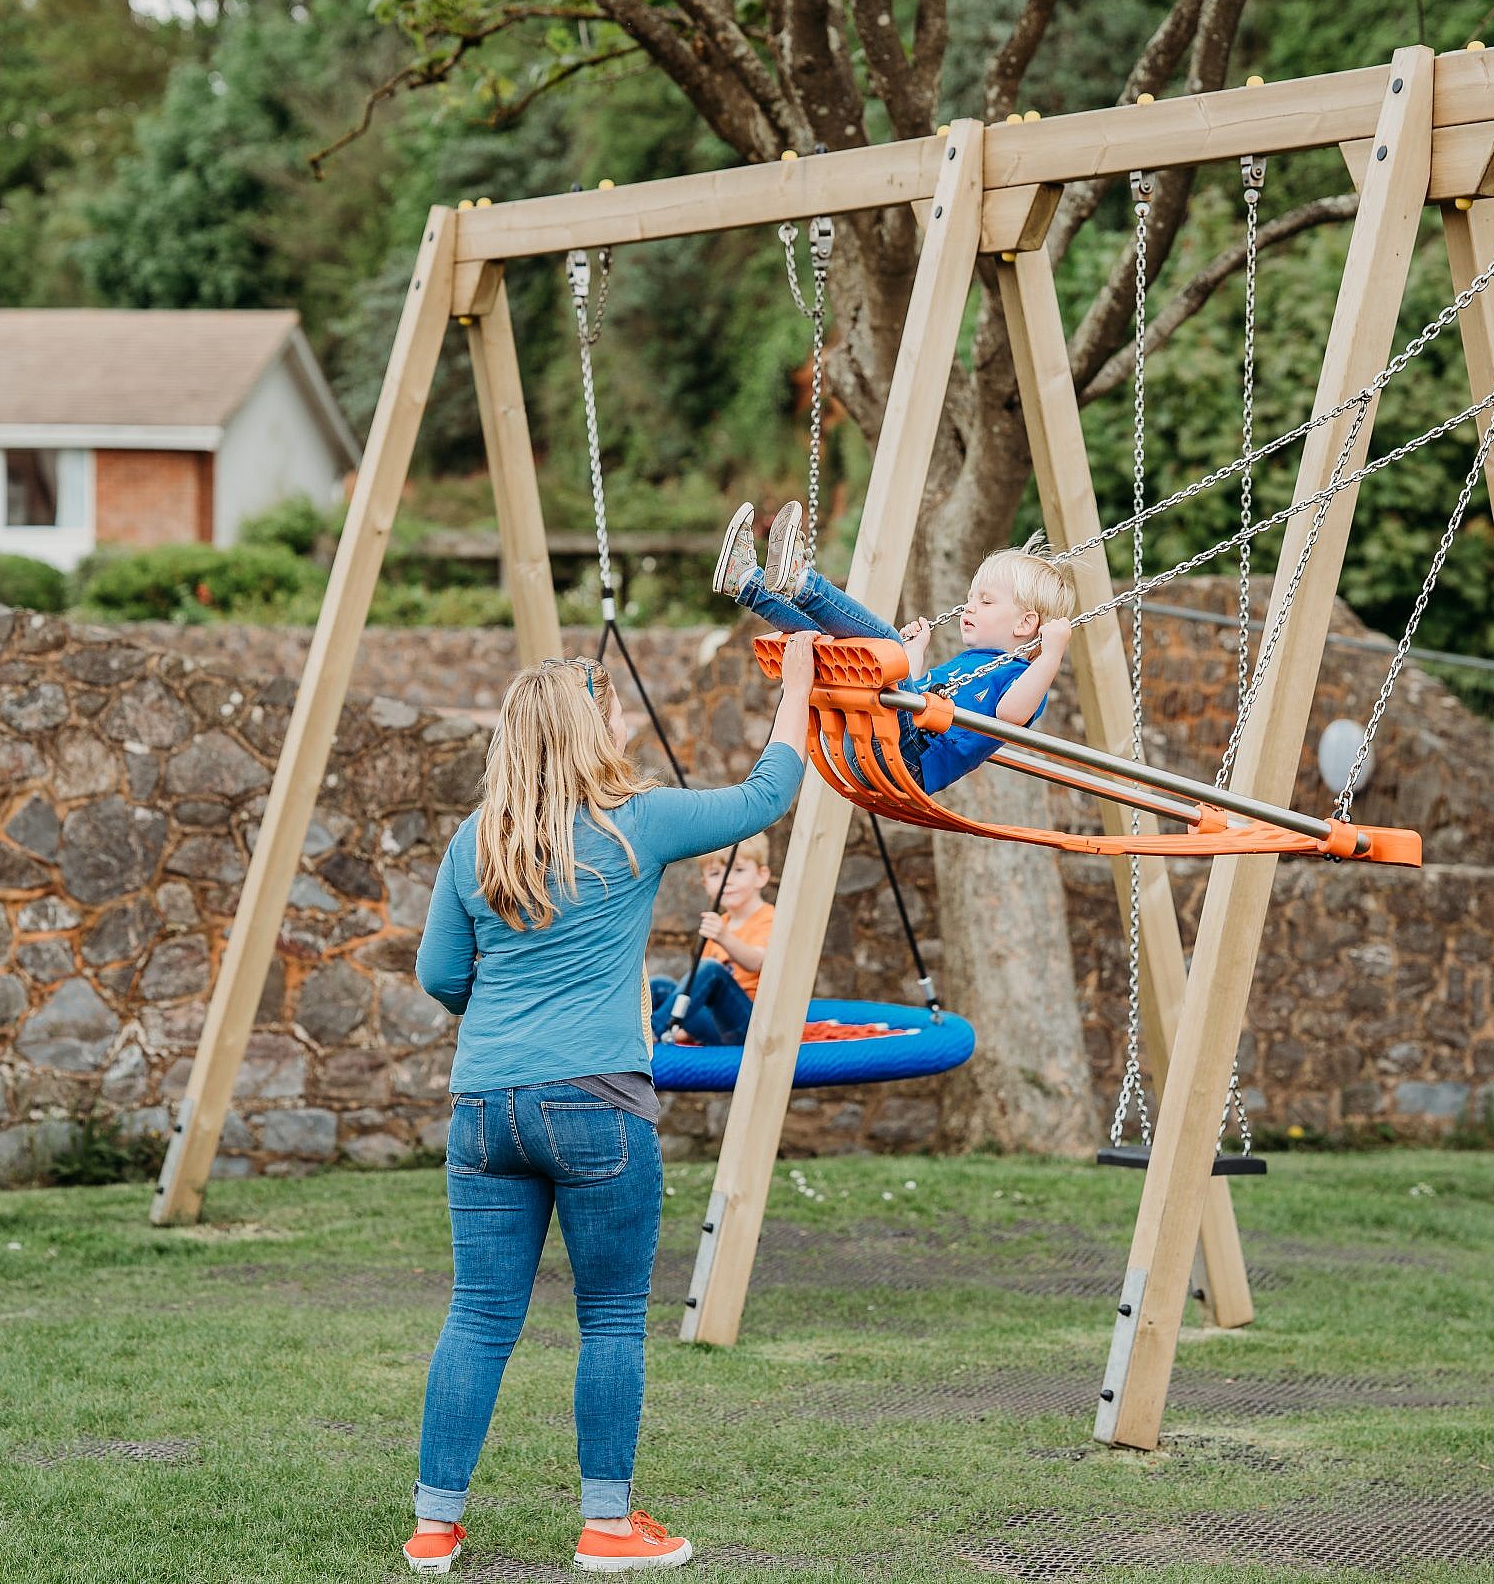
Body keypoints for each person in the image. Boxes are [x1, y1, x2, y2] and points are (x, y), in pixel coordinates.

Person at [405, 639, 819, 1575]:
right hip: (597, 1103)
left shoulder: (475, 840)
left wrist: (512, 1022)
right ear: (591, 732)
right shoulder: (638, 821)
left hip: (484, 1110)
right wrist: (797, 689)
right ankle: (604, 1525)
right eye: (616, 712)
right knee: (612, 1316)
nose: (627, 723)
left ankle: (434, 1526)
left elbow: (440, 975)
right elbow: (764, 797)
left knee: (477, 1314)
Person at [713, 499, 1077, 794]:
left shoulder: (1022, 677)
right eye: (970, 597)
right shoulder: (971, 662)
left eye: (986, 601)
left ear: (1026, 624)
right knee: (841, 651)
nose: (969, 606)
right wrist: (914, 655)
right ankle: (746, 582)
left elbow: (1012, 715)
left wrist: (1052, 655)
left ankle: (803, 584)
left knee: (883, 645)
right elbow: (911, 695)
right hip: (876, 744)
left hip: (906, 758)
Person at [647, 835, 774, 1046]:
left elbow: (758, 962)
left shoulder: (768, 917)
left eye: (739, 870)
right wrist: (687, 1030)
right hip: (717, 1027)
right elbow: (700, 995)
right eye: (716, 874)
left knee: (711, 970)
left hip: (750, 1025)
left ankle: (653, 1031)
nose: (728, 880)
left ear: (761, 876)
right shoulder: (719, 923)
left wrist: (724, 937)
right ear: (705, 884)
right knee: (659, 986)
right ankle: (626, 1030)